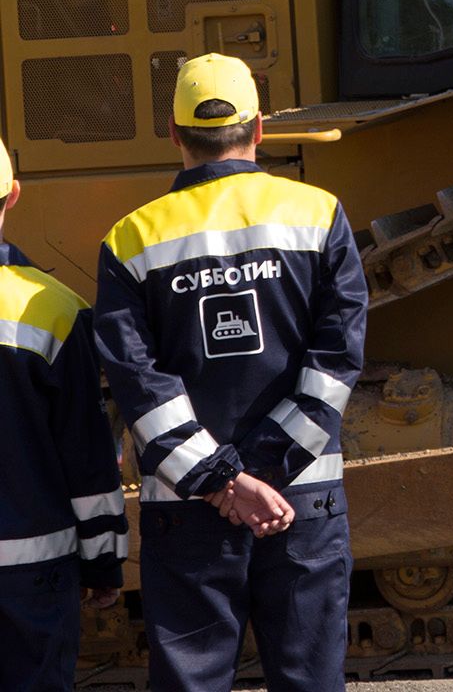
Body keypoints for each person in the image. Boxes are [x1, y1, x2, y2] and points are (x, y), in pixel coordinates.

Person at [94, 54, 366, 692]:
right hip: (301, 504)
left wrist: (224, 483)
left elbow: (137, 381)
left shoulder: (131, 241)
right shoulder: (319, 215)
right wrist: (264, 475)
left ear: (174, 134)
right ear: (260, 128)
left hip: (187, 513)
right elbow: (336, 361)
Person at [0, 135, 127, 691]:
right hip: (31, 576)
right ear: (14, 195)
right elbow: (87, 457)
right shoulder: (54, 310)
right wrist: (103, 561)